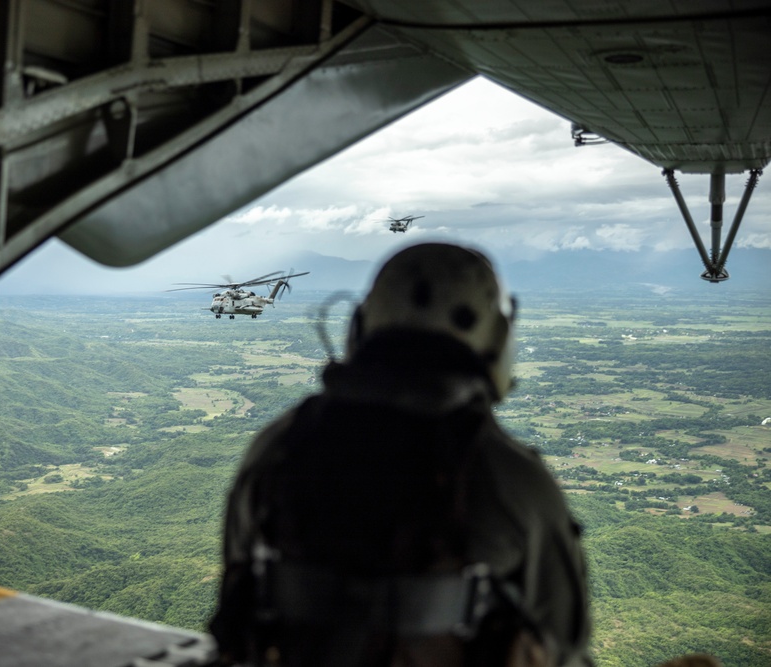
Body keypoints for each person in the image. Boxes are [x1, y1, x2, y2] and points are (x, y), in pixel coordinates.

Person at [209, 243, 593, 666]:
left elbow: (237, 586)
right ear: (497, 340)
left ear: (359, 328)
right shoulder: (511, 479)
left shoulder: (278, 449)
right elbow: (564, 642)